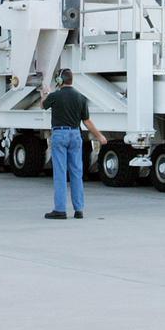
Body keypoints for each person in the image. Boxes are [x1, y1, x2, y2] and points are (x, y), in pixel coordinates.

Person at [40, 68, 109, 220]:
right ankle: (79, 210)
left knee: (60, 173)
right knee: (77, 173)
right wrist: (99, 136)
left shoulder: (55, 96)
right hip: (75, 134)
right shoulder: (80, 98)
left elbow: (43, 105)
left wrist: (44, 93)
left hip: (59, 134)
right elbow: (87, 121)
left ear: (59, 81)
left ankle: (60, 210)